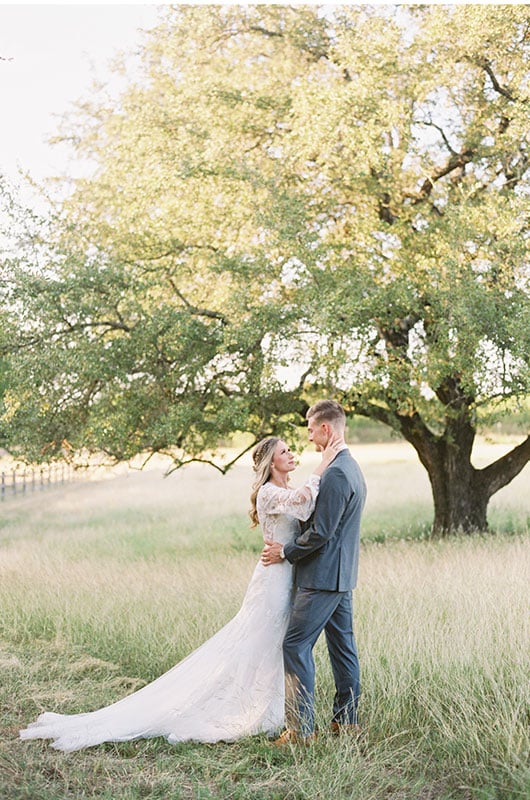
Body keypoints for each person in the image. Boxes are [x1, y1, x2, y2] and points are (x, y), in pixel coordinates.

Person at [19, 436, 340, 752]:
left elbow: (302, 510)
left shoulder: (283, 489)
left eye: (290, 450)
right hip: (272, 581)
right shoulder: (270, 493)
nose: (292, 454)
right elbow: (305, 503)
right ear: (272, 462)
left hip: (285, 576)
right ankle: (240, 706)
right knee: (259, 642)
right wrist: (322, 465)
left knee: (272, 645)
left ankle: (271, 709)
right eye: (285, 451)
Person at [261, 399, 367, 744]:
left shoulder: (336, 473)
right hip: (341, 576)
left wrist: (286, 552)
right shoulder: (350, 467)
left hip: (322, 577)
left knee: (295, 645)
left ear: (326, 429)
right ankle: (346, 722)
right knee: (342, 648)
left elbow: (322, 532)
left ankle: (302, 730)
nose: (308, 439)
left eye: (310, 430)